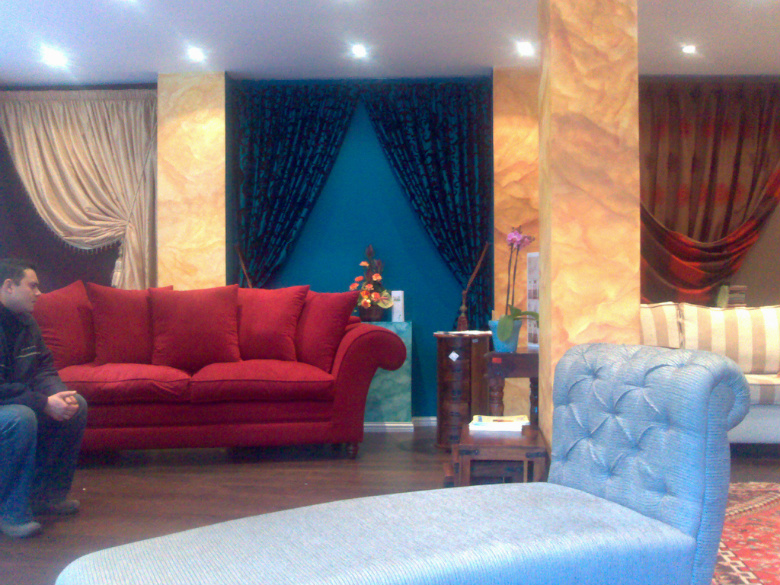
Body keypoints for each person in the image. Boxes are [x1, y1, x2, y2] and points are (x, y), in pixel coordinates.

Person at [0, 259, 87, 538]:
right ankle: (10, 512)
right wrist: (43, 403)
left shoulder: (27, 322)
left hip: (15, 400)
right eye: (32, 286)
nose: (39, 293)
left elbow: (44, 368)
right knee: (20, 418)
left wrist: (58, 397)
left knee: (76, 406)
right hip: (9, 406)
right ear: (9, 286)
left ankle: (47, 496)